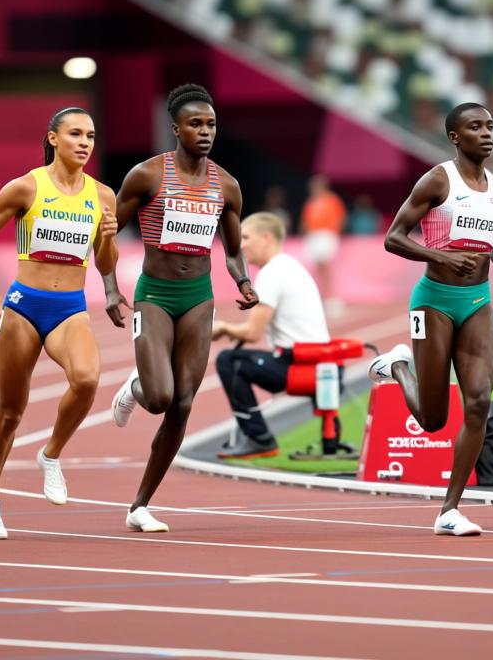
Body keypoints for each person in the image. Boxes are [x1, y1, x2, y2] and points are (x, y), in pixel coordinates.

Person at [367, 103, 493, 536]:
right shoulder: (439, 180)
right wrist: (442, 256)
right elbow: (394, 238)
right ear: (455, 137)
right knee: (433, 419)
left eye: (490, 126)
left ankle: (449, 509)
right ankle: (399, 366)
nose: (486, 134)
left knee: (478, 401)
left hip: (478, 301)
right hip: (433, 302)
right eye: (475, 127)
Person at [104, 84, 258, 533]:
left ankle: (139, 505)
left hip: (198, 299)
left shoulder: (226, 185)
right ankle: (137, 386)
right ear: (176, 129)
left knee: (183, 402)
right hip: (154, 295)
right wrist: (112, 289)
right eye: (195, 124)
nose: (205, 131)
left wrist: (244, 281)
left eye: (210, 124)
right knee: (158, 397)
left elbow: (231, 249)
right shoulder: (147, 176)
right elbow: (107, 231)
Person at [0, 107, 119, 540]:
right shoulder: (25, 187)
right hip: (24, 305)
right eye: (75, 134)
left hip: (69, 306)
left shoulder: (103, 196)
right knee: (11, 412)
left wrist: (108, 236)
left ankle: (51, 455)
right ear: (53, 138)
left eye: (90, 135)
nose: (85, 142)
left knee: (87, 380)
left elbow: (105, 265)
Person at [211, 212, 331, 459]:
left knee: (228, 360)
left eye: (246, 237)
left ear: (266, 238)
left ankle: (259, 438)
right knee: (238, 356)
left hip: (302, 366)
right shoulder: (289, 266)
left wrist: (222, 327)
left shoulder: (272, 273)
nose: (241, 245)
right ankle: (329, 440)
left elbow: (252, 333)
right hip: (325, 365)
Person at [301, 175, 346, 313]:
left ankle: (331, 299)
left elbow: (340, 218)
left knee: (326, 268)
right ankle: (319, 298)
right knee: (316, 269)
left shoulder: (332, 200)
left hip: (326, 235)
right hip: (313, 236)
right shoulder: (310, 202)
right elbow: (305, 221)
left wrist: (334, 233)